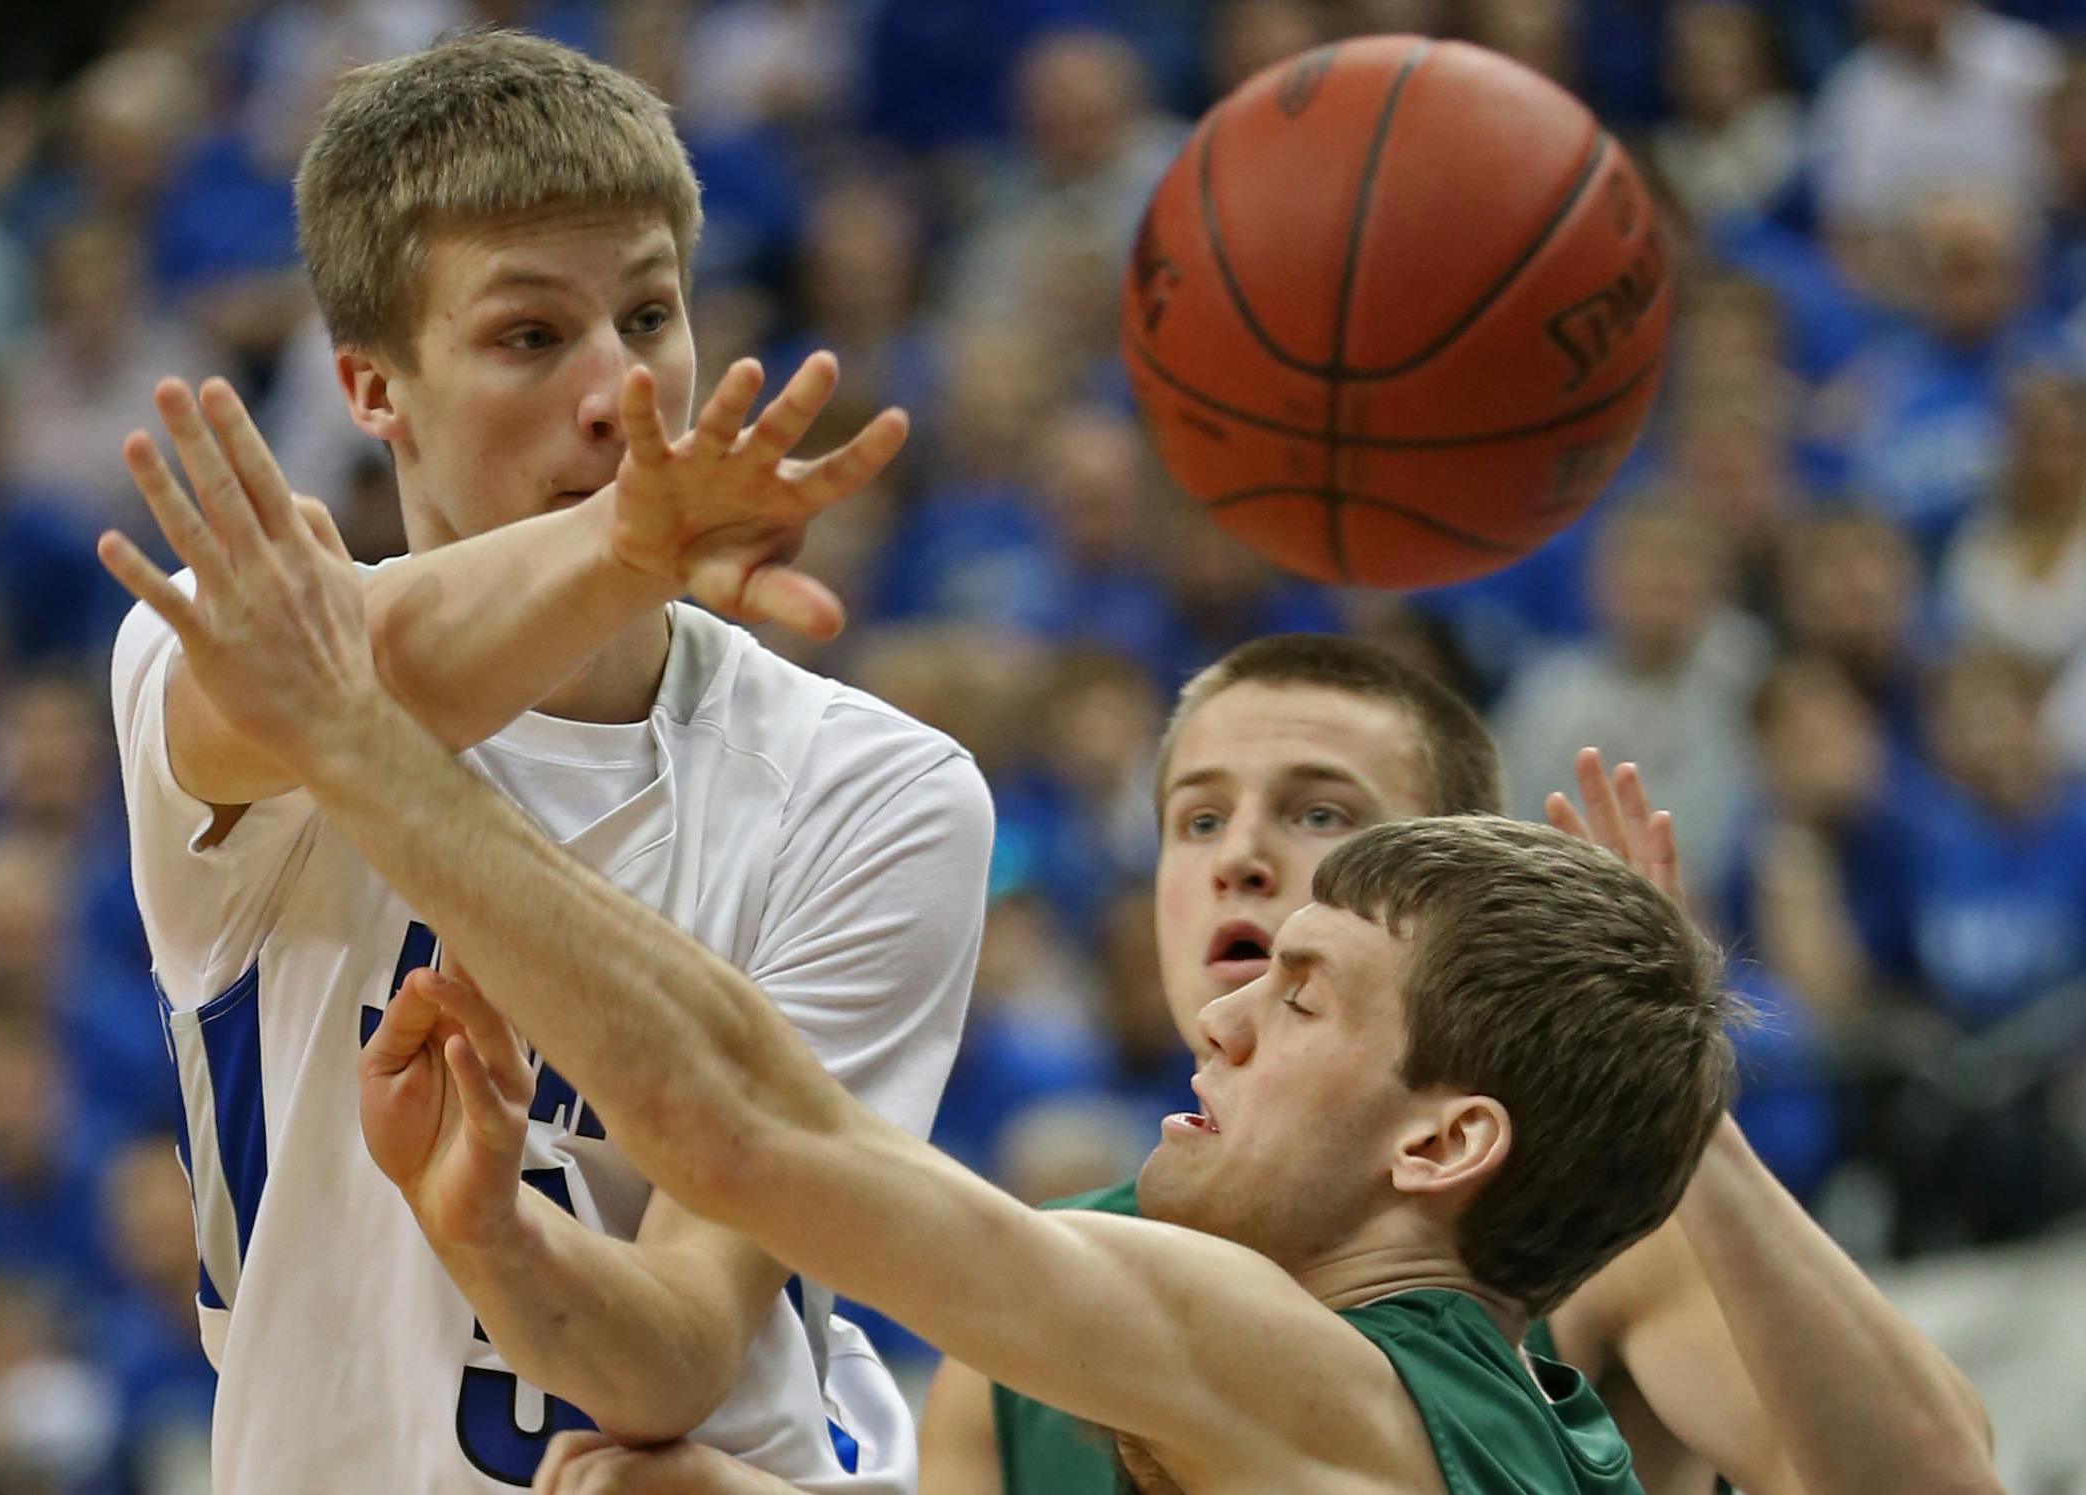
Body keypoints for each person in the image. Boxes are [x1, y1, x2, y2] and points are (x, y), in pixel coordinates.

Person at [101, 421, 2000, 1492]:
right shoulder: (1480, 1427)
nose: (1232, 984)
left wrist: (357, 743)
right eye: (1205, 825)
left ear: (1443, 1147)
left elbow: (753, 1132)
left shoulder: (1321, 1366)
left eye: (1310, 982)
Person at [105, 29, 990, 1492]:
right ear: (372, 389)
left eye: (649, 318)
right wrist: (623, 541)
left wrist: (494, 1231)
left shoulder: (872, 791)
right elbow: (339, 673)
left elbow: (687, 1354)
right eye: (531, 336)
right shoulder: (218, 647)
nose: (616, 395)